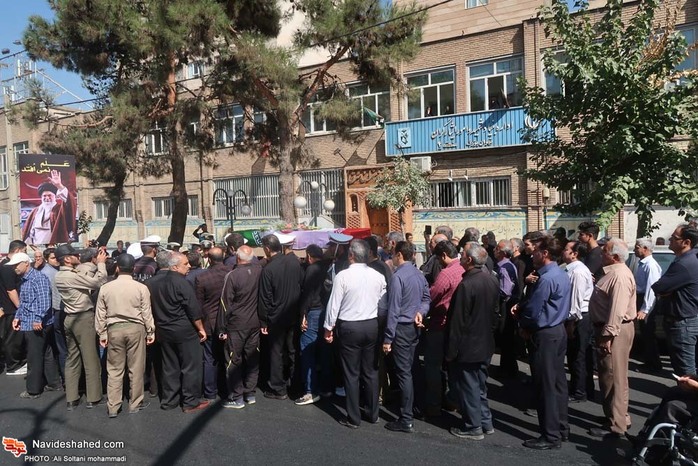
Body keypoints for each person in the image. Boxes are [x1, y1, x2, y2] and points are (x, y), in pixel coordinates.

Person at [513, 236, 570, 450]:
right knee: (557, 383)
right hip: (557, 331)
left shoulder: (546, 279)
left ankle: (550, 435)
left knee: (545, 386)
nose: (532, 255)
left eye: (535, 250)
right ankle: (561, 428)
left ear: (545, 253)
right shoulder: (561, 274)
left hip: (545, 334)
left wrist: (523, 324)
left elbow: (534, 311)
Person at [324, 240, 387, 428]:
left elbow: (333, 304)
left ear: (351, 255)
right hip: (371, 324)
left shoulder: (343, 276)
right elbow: (382, 303)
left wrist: (328, 328)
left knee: (351, 373)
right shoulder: (378, 276)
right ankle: (373, 413)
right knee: (370, 371)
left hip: (350, 326)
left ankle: (353, 417)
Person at [446, 242, 500, 440]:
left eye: (462, 255)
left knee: (469, 386)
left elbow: (457, 322)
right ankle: (485, 422)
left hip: (469, 346)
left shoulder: (467, 285)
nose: (459, 258)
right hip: (485, 343)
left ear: (469, 260)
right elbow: (495, 314)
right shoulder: (491, 280)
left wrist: (451, 351)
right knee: (480, 385)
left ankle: (473, 426)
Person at [146, 251, 208, 413]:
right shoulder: (182, 283)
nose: (189, 266)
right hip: (184, 330)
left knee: (169, 366)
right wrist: (201, 328)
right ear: (174, 267)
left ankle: (169, 400)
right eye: (185, 264)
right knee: (191, 366)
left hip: (164, 330)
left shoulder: (154, 283)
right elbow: (193, 309)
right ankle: (190, 402)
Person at [95, 253, 155, 418]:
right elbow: (146, 311)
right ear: (133, 268)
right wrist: (150, 331)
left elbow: (100, 313)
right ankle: (135, 403)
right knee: (136, 368)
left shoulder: (106, 288)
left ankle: (113, 406)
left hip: (114, 329)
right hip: (136, 328)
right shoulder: (141, 288)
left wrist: (102, 333)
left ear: (117, 268)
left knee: (114, 369)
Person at [588, 238, 637, 439]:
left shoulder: (619, 276)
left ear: (615, 256)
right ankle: (616, 416)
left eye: (605, 252)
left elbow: (617, 310)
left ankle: (617, 425)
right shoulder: (613, 273)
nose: (602, 254)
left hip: (615, 331)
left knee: (613, 376)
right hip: (611, 329)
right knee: (609, 375)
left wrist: (607, 335)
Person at [383, 241, 431, 434]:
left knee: (404, 372)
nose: (392, 257)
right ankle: (418, 407)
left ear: (399, 255)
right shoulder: (419, 275)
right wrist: (421, 312)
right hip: (414, 327)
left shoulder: (397, 277)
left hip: (402, 328)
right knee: (413, 368)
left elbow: (393, 310)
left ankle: (406, 418)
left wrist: (388, 338)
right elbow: (426, 299)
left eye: (393, 254)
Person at [55, 243, 108, 410]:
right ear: (67, 259)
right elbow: (99, 282)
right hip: (83, 319)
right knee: (91, 359)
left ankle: (71, 398)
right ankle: (94, 397)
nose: (78, 256)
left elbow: (82, 276)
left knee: (72, 359)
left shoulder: (60, 275)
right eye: (74, 255)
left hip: (69, 318)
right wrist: (101, 264)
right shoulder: (71, 276)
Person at [258, 234, 303, 400]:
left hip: (276, 317)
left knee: (276, 352)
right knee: (293, 350)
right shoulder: (294, 262)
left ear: (267, 249)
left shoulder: (268, 269)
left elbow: (264, 298)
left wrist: (263, 321)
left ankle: (278, 388)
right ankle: (296, 386)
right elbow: (301, 284)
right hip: (293, 313)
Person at [9, 252, 61, 398]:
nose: (14, 268)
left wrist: (38, 319)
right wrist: (17, 317)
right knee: (46, 352)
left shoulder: (38, 278)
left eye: (16, 265)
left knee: (34, 356)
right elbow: (24, 302)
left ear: (26, 263)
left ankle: (33, 389)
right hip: (31, 321)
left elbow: (45, 301)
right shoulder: (25, 279)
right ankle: (53, 382)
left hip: (36, 323)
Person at [217, 245, 263, 409]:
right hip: (254, 323)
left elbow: (225, 303)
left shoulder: (232, 276)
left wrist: (221, 328)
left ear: (237, 257)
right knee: (252, 358)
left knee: (233, 360)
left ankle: (237, 397)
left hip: (236, 324)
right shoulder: (259, 271)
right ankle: (250, 393)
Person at [425, 240, 464, 417]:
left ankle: (433, 404)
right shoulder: (464, 268)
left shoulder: (446, 273)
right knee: (453, 366)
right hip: (458, 326)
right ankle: (454, 400)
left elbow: (433, 295)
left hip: (440, 324)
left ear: (444, 255)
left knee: (433, 365)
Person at [652, 224, 698, 377]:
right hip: (686, 319)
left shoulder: (684, 264)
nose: (670, 240)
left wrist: (666, 290)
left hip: (683, 323)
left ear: (686, 242)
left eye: (674, 238)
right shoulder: (688, 259)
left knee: (686, 374)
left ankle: (688, 393)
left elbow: (658, 287)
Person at [296, 244, 332, 406]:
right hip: (326, 311)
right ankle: (326, 386)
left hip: (314, 311)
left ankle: (310, 390)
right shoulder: (328, 266)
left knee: (307, 348)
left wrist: (303, 314)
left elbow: (308, 294)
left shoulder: (312, 269)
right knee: (324, 350)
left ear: (309, 256)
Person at [194, 247, 231, 402]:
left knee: (210, 358)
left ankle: (210, 391)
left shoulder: (202, 277)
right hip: (229, 321)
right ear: (223, 256)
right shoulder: (231, 273)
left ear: (209, 259)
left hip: (210, 322)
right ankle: (228, 389)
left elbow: (199, 304)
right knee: (229, 356)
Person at [562, 240, 595, 404]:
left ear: (575, 254)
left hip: (579, 318)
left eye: (566, 249)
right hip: (577, 317)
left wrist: (571, 323)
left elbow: (576, 300)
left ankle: (579, 392)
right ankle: (581, 388)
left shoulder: (578, 272)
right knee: (575, 355)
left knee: (578, 356)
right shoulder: (570, 269)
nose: (563, 251)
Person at [21, 170, 77, 245]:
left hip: (54, 246)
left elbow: (70, 202)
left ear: (55, 197)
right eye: (44, 196)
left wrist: (59, 186)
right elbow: (29, 233)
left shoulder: (60, 209)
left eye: (50, 195)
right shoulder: (35, 211)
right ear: (41, 197)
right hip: (37, 246)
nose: (47, 198)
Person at [634, 238, 663, 373]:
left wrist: (645, 309)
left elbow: (651, 289)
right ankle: (649, 361)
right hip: (641, 299)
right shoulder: (642, 264)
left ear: (645, 249)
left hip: (647, 302)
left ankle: (654, 364)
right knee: (645, 334)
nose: (635, 250)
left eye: (637, 247)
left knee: (648, 334)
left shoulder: (650, 265)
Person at [0, 240, 28, 376]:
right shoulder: (7, 267)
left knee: (14, 336)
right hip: (11, 308)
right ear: (17, 251)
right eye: (24, 251)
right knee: (12, 337)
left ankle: (16, 362)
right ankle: (13, 366)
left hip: (9, 307)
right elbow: (11, 290)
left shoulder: (5, 265)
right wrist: (20, 307)